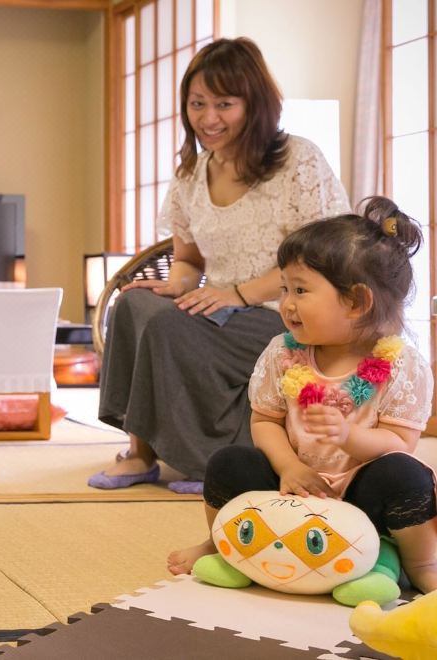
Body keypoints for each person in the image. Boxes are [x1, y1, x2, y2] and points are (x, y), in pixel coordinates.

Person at [90, 37, 350, 492]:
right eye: (198, 104)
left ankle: (208, 463)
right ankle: (141, 453)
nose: (208, 118)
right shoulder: (191, 174)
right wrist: (176, 286)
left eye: (224, 104)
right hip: (223, 310)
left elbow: (319, 257)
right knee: (133, 306)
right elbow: (188, 259)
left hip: (287, 315)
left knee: (171, 327)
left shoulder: (298, 160)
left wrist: (237, 295)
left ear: (254, 104)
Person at [168, 197, 437, 595]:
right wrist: (289, 466)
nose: (286, 304)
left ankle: (422, 564)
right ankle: (222, 543)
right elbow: (265, 421)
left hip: (361, 498)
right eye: (284, 289)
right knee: (229, 462)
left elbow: (400, 443)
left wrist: (349, 436)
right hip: (289, 490)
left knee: (406, 476)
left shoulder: (400, 363)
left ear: (357, 302)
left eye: (300, 290)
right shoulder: (283, 352)